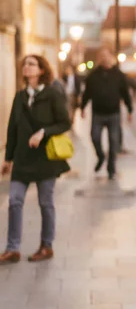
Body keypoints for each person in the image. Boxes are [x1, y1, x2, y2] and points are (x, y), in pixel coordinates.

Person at [0, 55, 71, 264]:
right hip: (22, 159)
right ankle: (13, 249)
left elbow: (64, 123)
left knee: (45, 202)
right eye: (25, 65)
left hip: (45, 159)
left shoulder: (52, 94)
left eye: (31, 64)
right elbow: (12, 129)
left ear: (41, 70)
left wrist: (43, 132)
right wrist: (8, 158)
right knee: (14, 201)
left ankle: (46, 245)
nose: (27, 67)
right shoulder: (20, 96)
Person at [80, 47, 133, 180]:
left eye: (106, 55)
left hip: (113, 113)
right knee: (94, 137)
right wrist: (82, 107)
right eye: (101, 56)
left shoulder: (119, 75)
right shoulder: (93, 75)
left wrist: (130, 109)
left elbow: (125, 93)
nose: (104, 58)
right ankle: (101, 156)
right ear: (99, 59)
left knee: (114, 142)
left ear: (111, 57)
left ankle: (111, 168)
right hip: (98, 113)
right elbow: (87, 93)